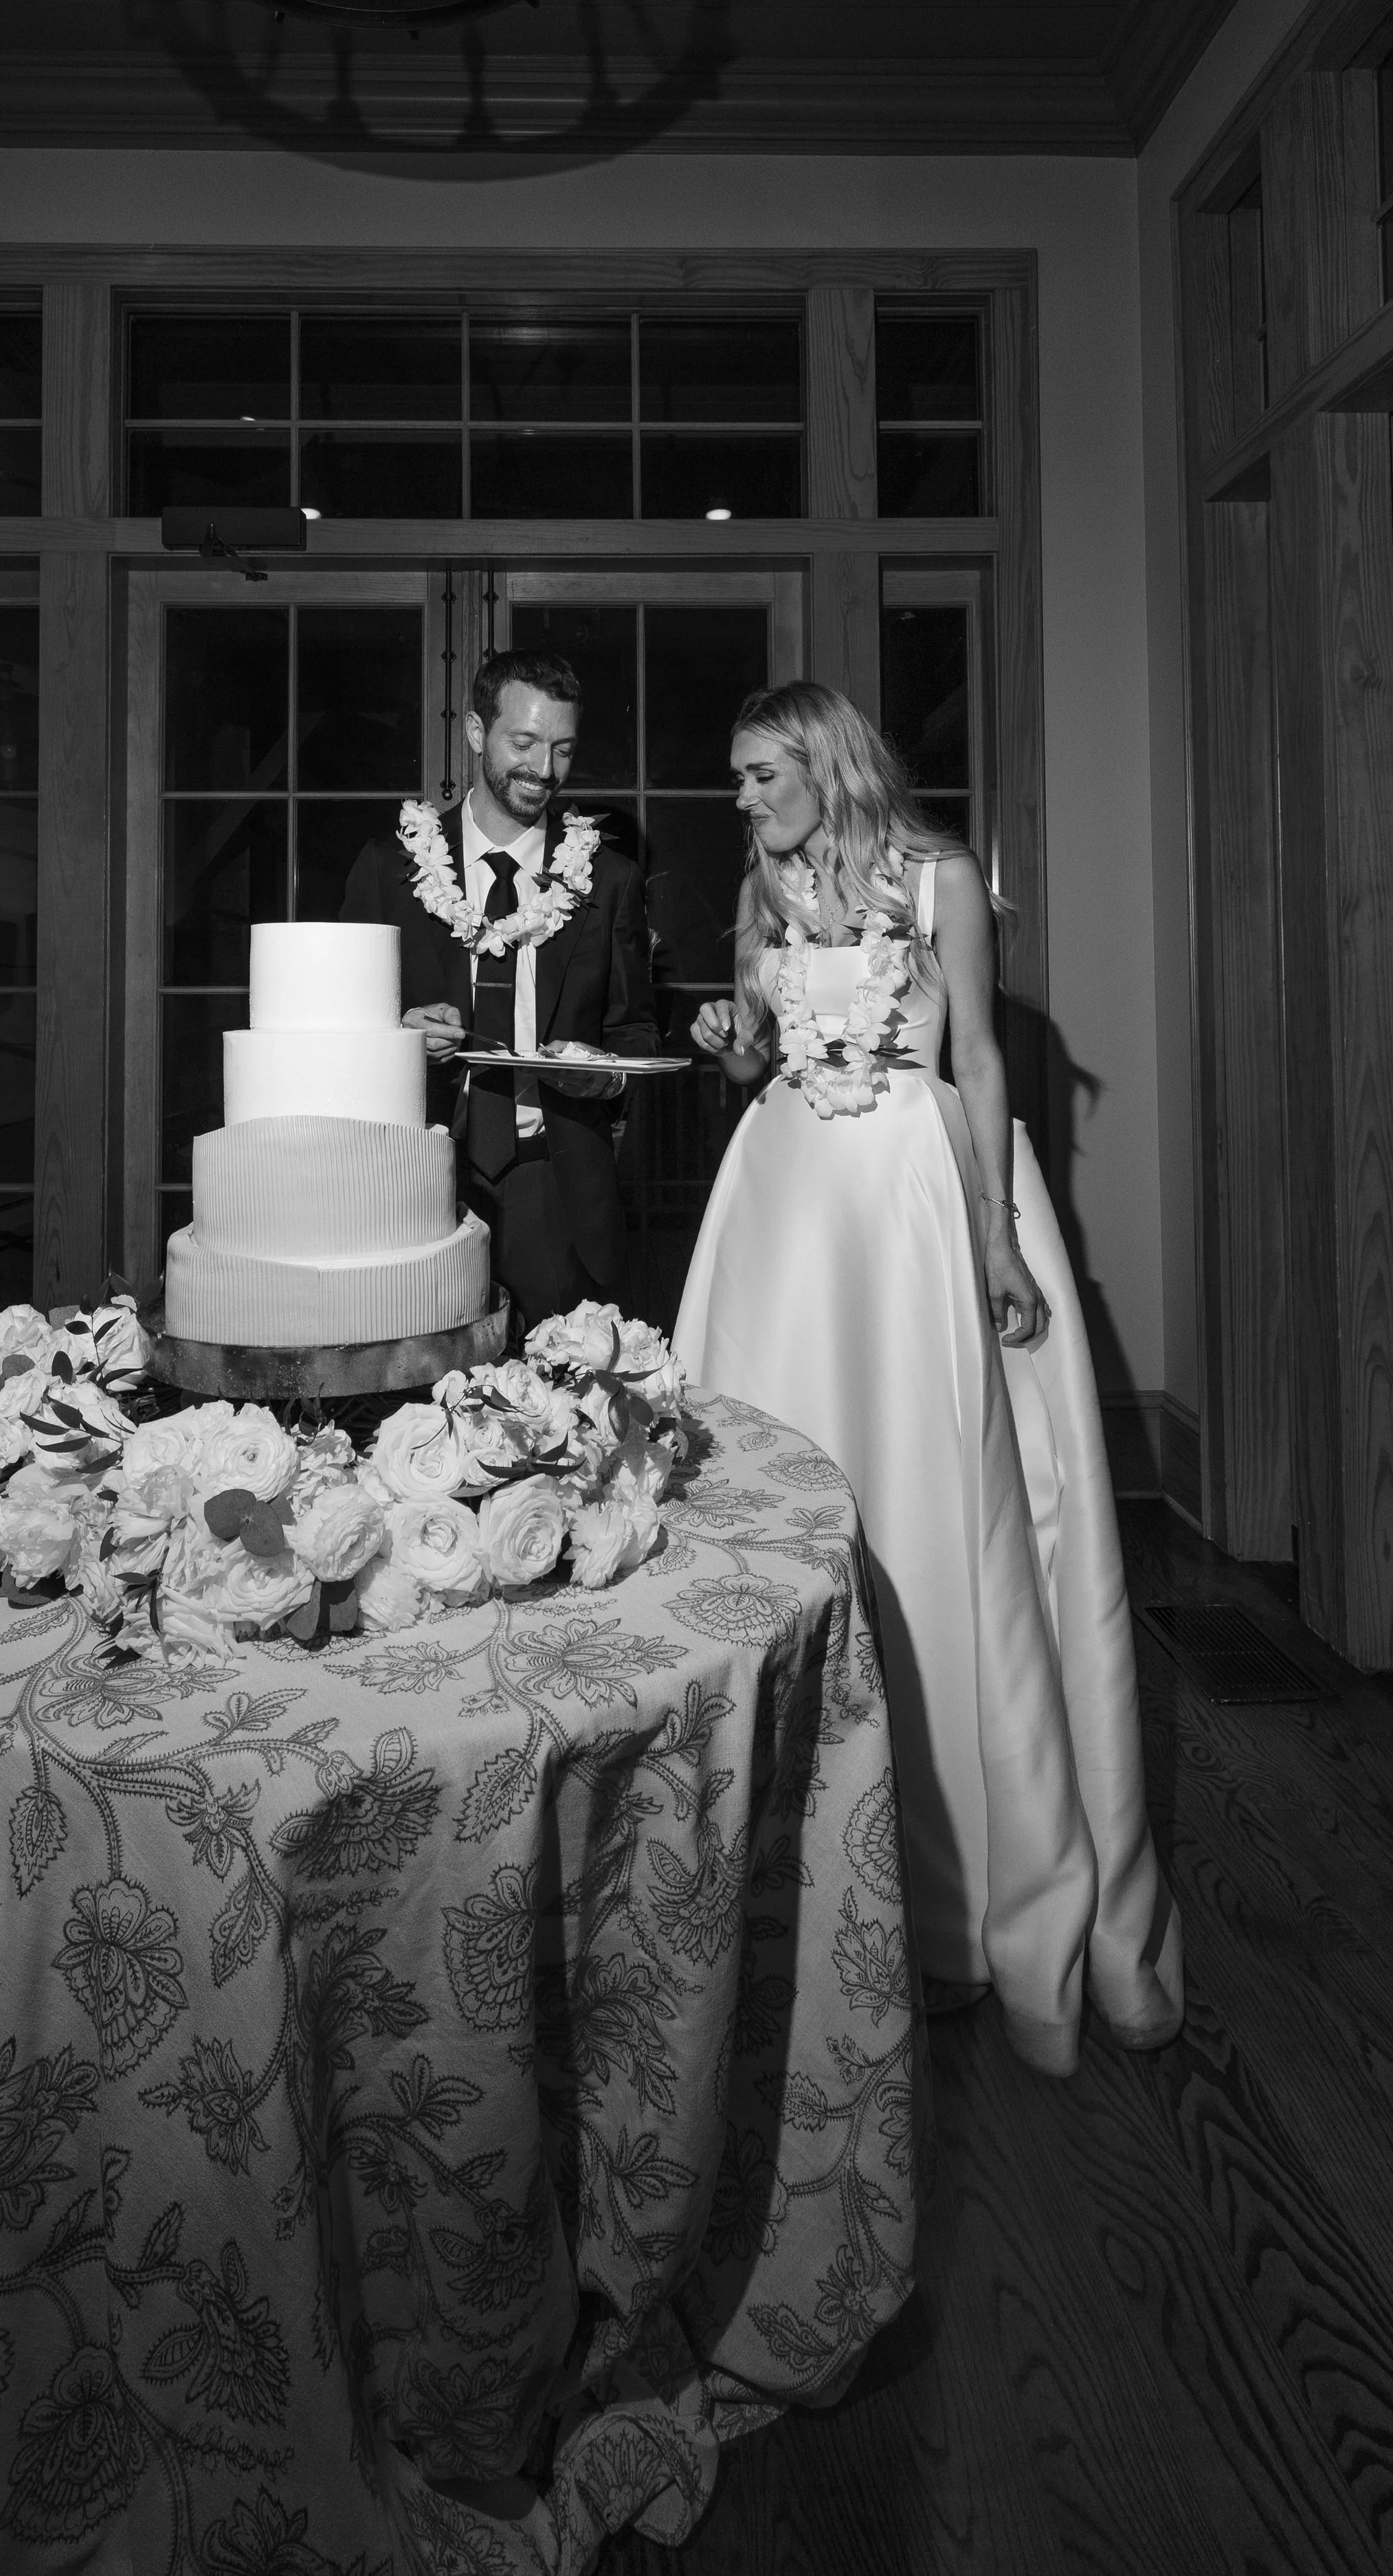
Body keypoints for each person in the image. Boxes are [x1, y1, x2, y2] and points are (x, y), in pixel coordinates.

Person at [674, 681, 1182, 2077]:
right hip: (784, 1202)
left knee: (929, 1499)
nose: (741, 796)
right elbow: (761, 1039)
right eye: (733, 777)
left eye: (757, 770)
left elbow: (972, 1056)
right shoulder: (760, 880)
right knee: (776, 1486)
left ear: (824, 761)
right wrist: (733, 1049)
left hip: (907, 1196)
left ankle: (959, 1900)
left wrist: (996, 1238)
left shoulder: (935, 876)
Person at [343, 650, 658, 1328]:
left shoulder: (609, 880)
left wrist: (606, 1075)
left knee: (558, 1404)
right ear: (477, 732)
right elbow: (340, 1036)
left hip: (554, 1178)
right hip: (417, 1178)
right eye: (525, 742)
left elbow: (633, 1031)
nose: (545, 771)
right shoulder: (386, 868)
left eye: (563, 749)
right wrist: (399, 1034)